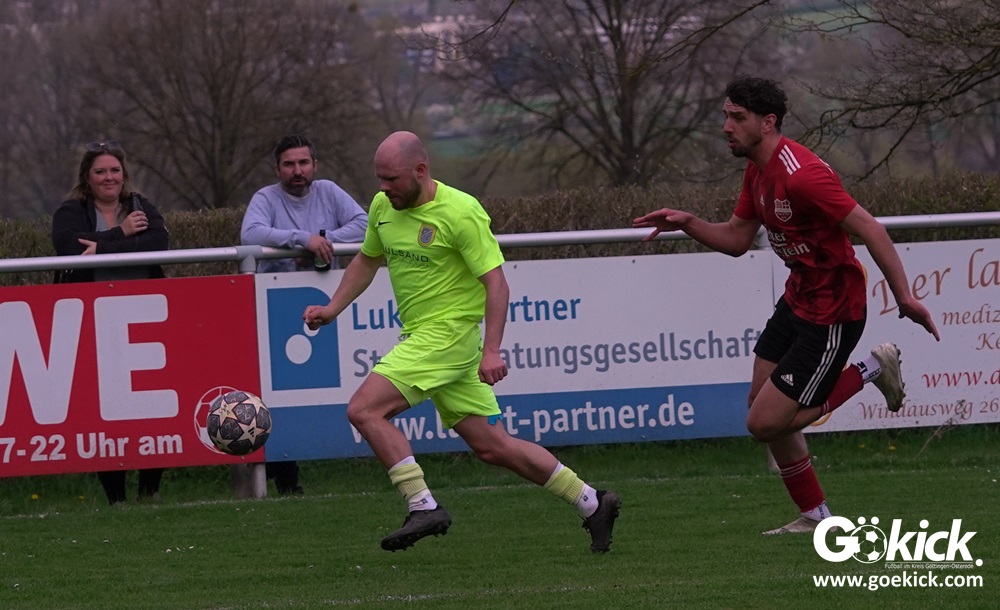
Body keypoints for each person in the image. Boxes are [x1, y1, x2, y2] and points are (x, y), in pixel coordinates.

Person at [632, 75, 940, 535]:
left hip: (833, 311)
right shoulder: (757, 170)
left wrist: (905, 297)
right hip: (798, 298)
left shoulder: (802, 175)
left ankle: (871, 369)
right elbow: (737, 240)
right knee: (760, 405)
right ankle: (816, 516)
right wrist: (688, 222)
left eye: (738, 118)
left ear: (768, 122)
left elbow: (870, 228)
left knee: (764, 423)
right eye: (726, 116)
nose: (726, 127)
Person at [303, 131, 622, 552]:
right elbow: (367, 259)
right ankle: (592, 502)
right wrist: (333, 308)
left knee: (364, 410)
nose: (383, 187)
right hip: (428, 337)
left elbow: (497, 284)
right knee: (494, 447)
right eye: (379, 178)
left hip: (448, 336)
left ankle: (422, 505)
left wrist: (492, 350)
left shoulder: (461, 211)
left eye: (391, 179)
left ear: (420, 170)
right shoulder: (383, 207)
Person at [241, 134, 368, 495]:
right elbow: (250, 234)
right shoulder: (266, 198)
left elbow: (364, 223)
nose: (297, 171)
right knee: (280, 396)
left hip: (329, 304)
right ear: (277, 169)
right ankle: (286, 481)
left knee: (331, 389)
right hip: (278, 309)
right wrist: (302, 239)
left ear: (315, 165)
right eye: (289, 164)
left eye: (303, 163)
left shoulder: (328, 190)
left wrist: (322, 240)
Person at [51, 139, 170, 505]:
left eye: (115, 170)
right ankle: (115, 498)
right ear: (87, 177)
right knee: (103, 410)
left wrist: (102, 246)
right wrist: (122, 233)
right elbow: (68, 245)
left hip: (145, 320)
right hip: (93, 321)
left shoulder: (140, 206)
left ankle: (149, 492)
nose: (109, 177)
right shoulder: (71, 211)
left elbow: (159, 242)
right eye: (100, 171)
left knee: (154, 409)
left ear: (124, 174)